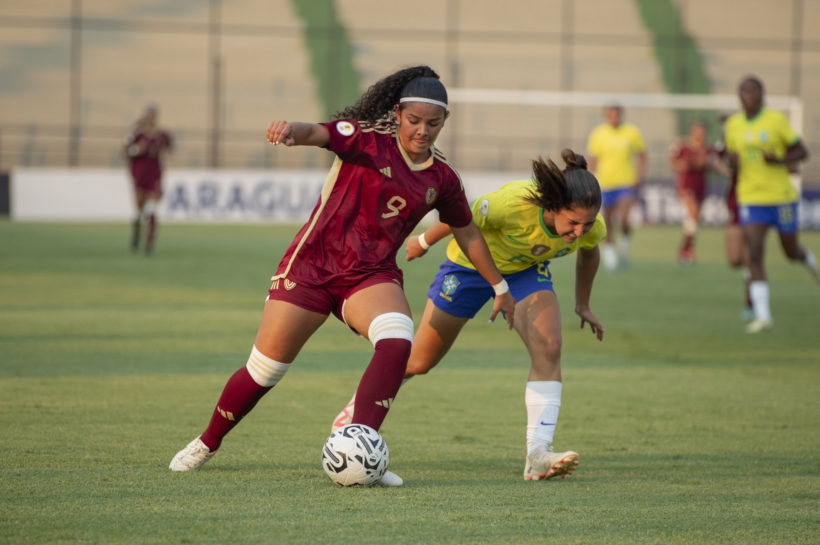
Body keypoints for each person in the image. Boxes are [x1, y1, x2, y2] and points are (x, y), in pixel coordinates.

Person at [168, 66, 516, 486]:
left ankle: (362, 448)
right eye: (414, 120)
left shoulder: (442, 178)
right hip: (311, 267)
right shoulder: (367, 138)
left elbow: (467, 231)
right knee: (265, 372)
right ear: (397, 113)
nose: (423, 131)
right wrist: (290, 131)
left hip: (370, 275)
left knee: (397, 338)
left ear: (445, 123)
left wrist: (499, 286)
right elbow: (317, 132)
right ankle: (207, 442)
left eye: (433, 123)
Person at [332, 149, 606, 481]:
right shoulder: (513, 203)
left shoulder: (592, 226)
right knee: (418, 361)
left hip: (523, 274)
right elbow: (460, 216)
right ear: (552, 206)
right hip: (467, 269)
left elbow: (590, 254)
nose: (580, 231)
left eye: (587, 223)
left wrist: (584, 303)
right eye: (573, 223)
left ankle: (538, 454)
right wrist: (423, 240)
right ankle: (353, 418)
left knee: (549, 345)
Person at [724, 76, 816, 333]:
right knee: (754, 252)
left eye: (754, 90)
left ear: (762, 94)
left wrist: (778, 160)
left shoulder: (776, 121)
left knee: (790, 252)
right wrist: (732, 162)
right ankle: (763, 316)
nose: (749, 94)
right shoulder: (733, 125)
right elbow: (734, 163)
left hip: (781, 197)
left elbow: (802, 152)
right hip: (751, 198)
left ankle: (807, 258)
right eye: (744, 90)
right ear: (739, 96)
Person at [587, 105, 646, 271]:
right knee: (607, 222)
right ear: (606, 116)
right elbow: (593, 159)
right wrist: (588, 178)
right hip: (605, 184)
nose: (614, 118)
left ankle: (625, 247)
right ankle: (610, 254)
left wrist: (639, 175)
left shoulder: (631, 132)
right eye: (611, 116)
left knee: (626, 219)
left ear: (621, 116)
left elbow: (642, 155)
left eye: (616, 115)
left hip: (625, 183)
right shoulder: (598, 134)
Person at [668, 120, 727, 264]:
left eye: (702, 131)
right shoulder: (682, 146)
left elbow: (717, 165)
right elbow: (673, 162)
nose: (699, 134)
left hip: (701, 187)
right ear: (692, 131)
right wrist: (691, 163)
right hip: (686, 186)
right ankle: (686, 250)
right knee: (693, 213)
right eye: (697, 130)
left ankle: (686, 251)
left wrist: (726, 171)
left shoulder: (708, 149)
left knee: (694, 220)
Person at [716, 116, 754, 321]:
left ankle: (753, 301)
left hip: (757, 199)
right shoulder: (728, 140)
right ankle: (753, 283)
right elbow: (716, 159)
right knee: (735, 259)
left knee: (751, 254)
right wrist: (728, 171)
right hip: (735, 200)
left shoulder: (760, 138)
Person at [123, 105, 172, 255]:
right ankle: (137, 233)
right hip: (139, 174)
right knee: (139, 210)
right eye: (148, 115)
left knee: (151, 209)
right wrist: (138, 149)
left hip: (154, 175)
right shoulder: (136, 134)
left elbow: (170, 149)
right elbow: (125, 150)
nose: (150, 118)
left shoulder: (162, 134)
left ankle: (149, 245)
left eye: (153, 115)